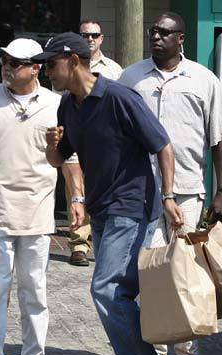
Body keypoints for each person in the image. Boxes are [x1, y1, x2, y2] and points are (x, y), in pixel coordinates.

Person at [33, 32, 183, 355]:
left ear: (74, 61)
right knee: (120, 295)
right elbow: (60, 159)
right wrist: (54, 148)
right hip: (102, 209)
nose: (45, 70)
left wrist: (168, 197)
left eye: (51, 64)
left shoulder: (119, 97)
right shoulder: (69, 105)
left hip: (132, 207)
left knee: (107, 291)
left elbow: (162, 144)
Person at [119, 12, 222, 355]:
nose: (156, 37)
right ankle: (152, 342)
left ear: (181, 38)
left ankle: (185, 350)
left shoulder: (203, 80)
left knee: (186, 271)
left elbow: (221, 140)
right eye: (153, 31)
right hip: (142, 190)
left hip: (186, 190)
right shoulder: (131, 77)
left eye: (164, 33)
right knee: (150, 272)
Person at [0, 38, 61, 355]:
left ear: (36, 67)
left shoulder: (57, 105)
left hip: (38, 212)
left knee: (35, 291)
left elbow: (70, 159)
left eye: (17, 63)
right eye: (5, 61)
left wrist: (77, 200)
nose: (8, 67)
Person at [62, 20, 123, 267]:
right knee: (75, 189)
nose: (89, 38)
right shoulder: (67, 66)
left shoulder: (115, 70)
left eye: (94, 35)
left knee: (103, 189)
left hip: (105, 141)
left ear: (101, 38)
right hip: (77, 138)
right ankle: (78, 243)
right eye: (84, 34)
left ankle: (102, 242)